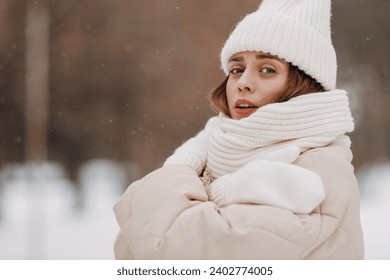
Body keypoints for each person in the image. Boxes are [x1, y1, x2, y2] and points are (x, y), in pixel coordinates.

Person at [114, 0, 364, 259]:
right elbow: (129, 252)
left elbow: (171, 253)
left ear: (305, 85)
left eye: (267, 69)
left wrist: (173, 174)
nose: (242, 82)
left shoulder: (317, 169)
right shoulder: (215, 155)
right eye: (236, 69)